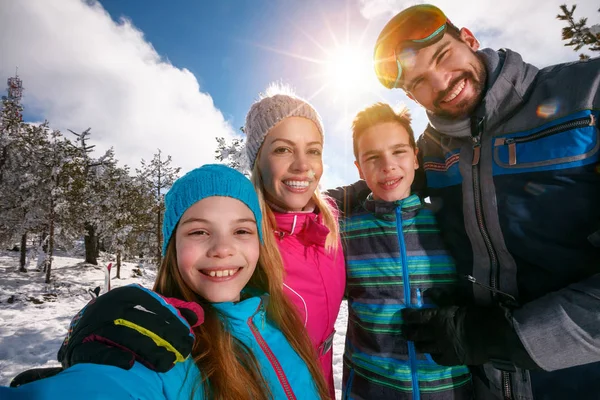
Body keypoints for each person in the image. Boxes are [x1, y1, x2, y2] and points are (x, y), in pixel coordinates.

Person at [372, 4, 600, 400]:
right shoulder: (429, 151)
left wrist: (509, 338)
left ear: (469, 39)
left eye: (443, 56)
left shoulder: (587, 94)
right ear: (411, 94)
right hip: (484, 386)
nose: (442, 82)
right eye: (421, 81)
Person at [2, 164, 330, 400]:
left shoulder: (280, 318)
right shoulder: (160, 348)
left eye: (242, 230)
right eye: (199, 231)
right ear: (172, 247)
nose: (222, 249)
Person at [340, 102, 472, 399]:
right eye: (372, 157)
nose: (388, 166)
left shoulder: (451, 222)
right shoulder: (345, 232)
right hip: (370, 389)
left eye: (399, 151)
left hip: (451, 389)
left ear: (416, 157)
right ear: (359, 169)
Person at [243, 85, 346, 398]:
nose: (303, 165)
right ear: (257, 160)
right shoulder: (243, 239)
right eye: (283, 149)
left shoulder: (328, 220)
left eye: (313, 150)